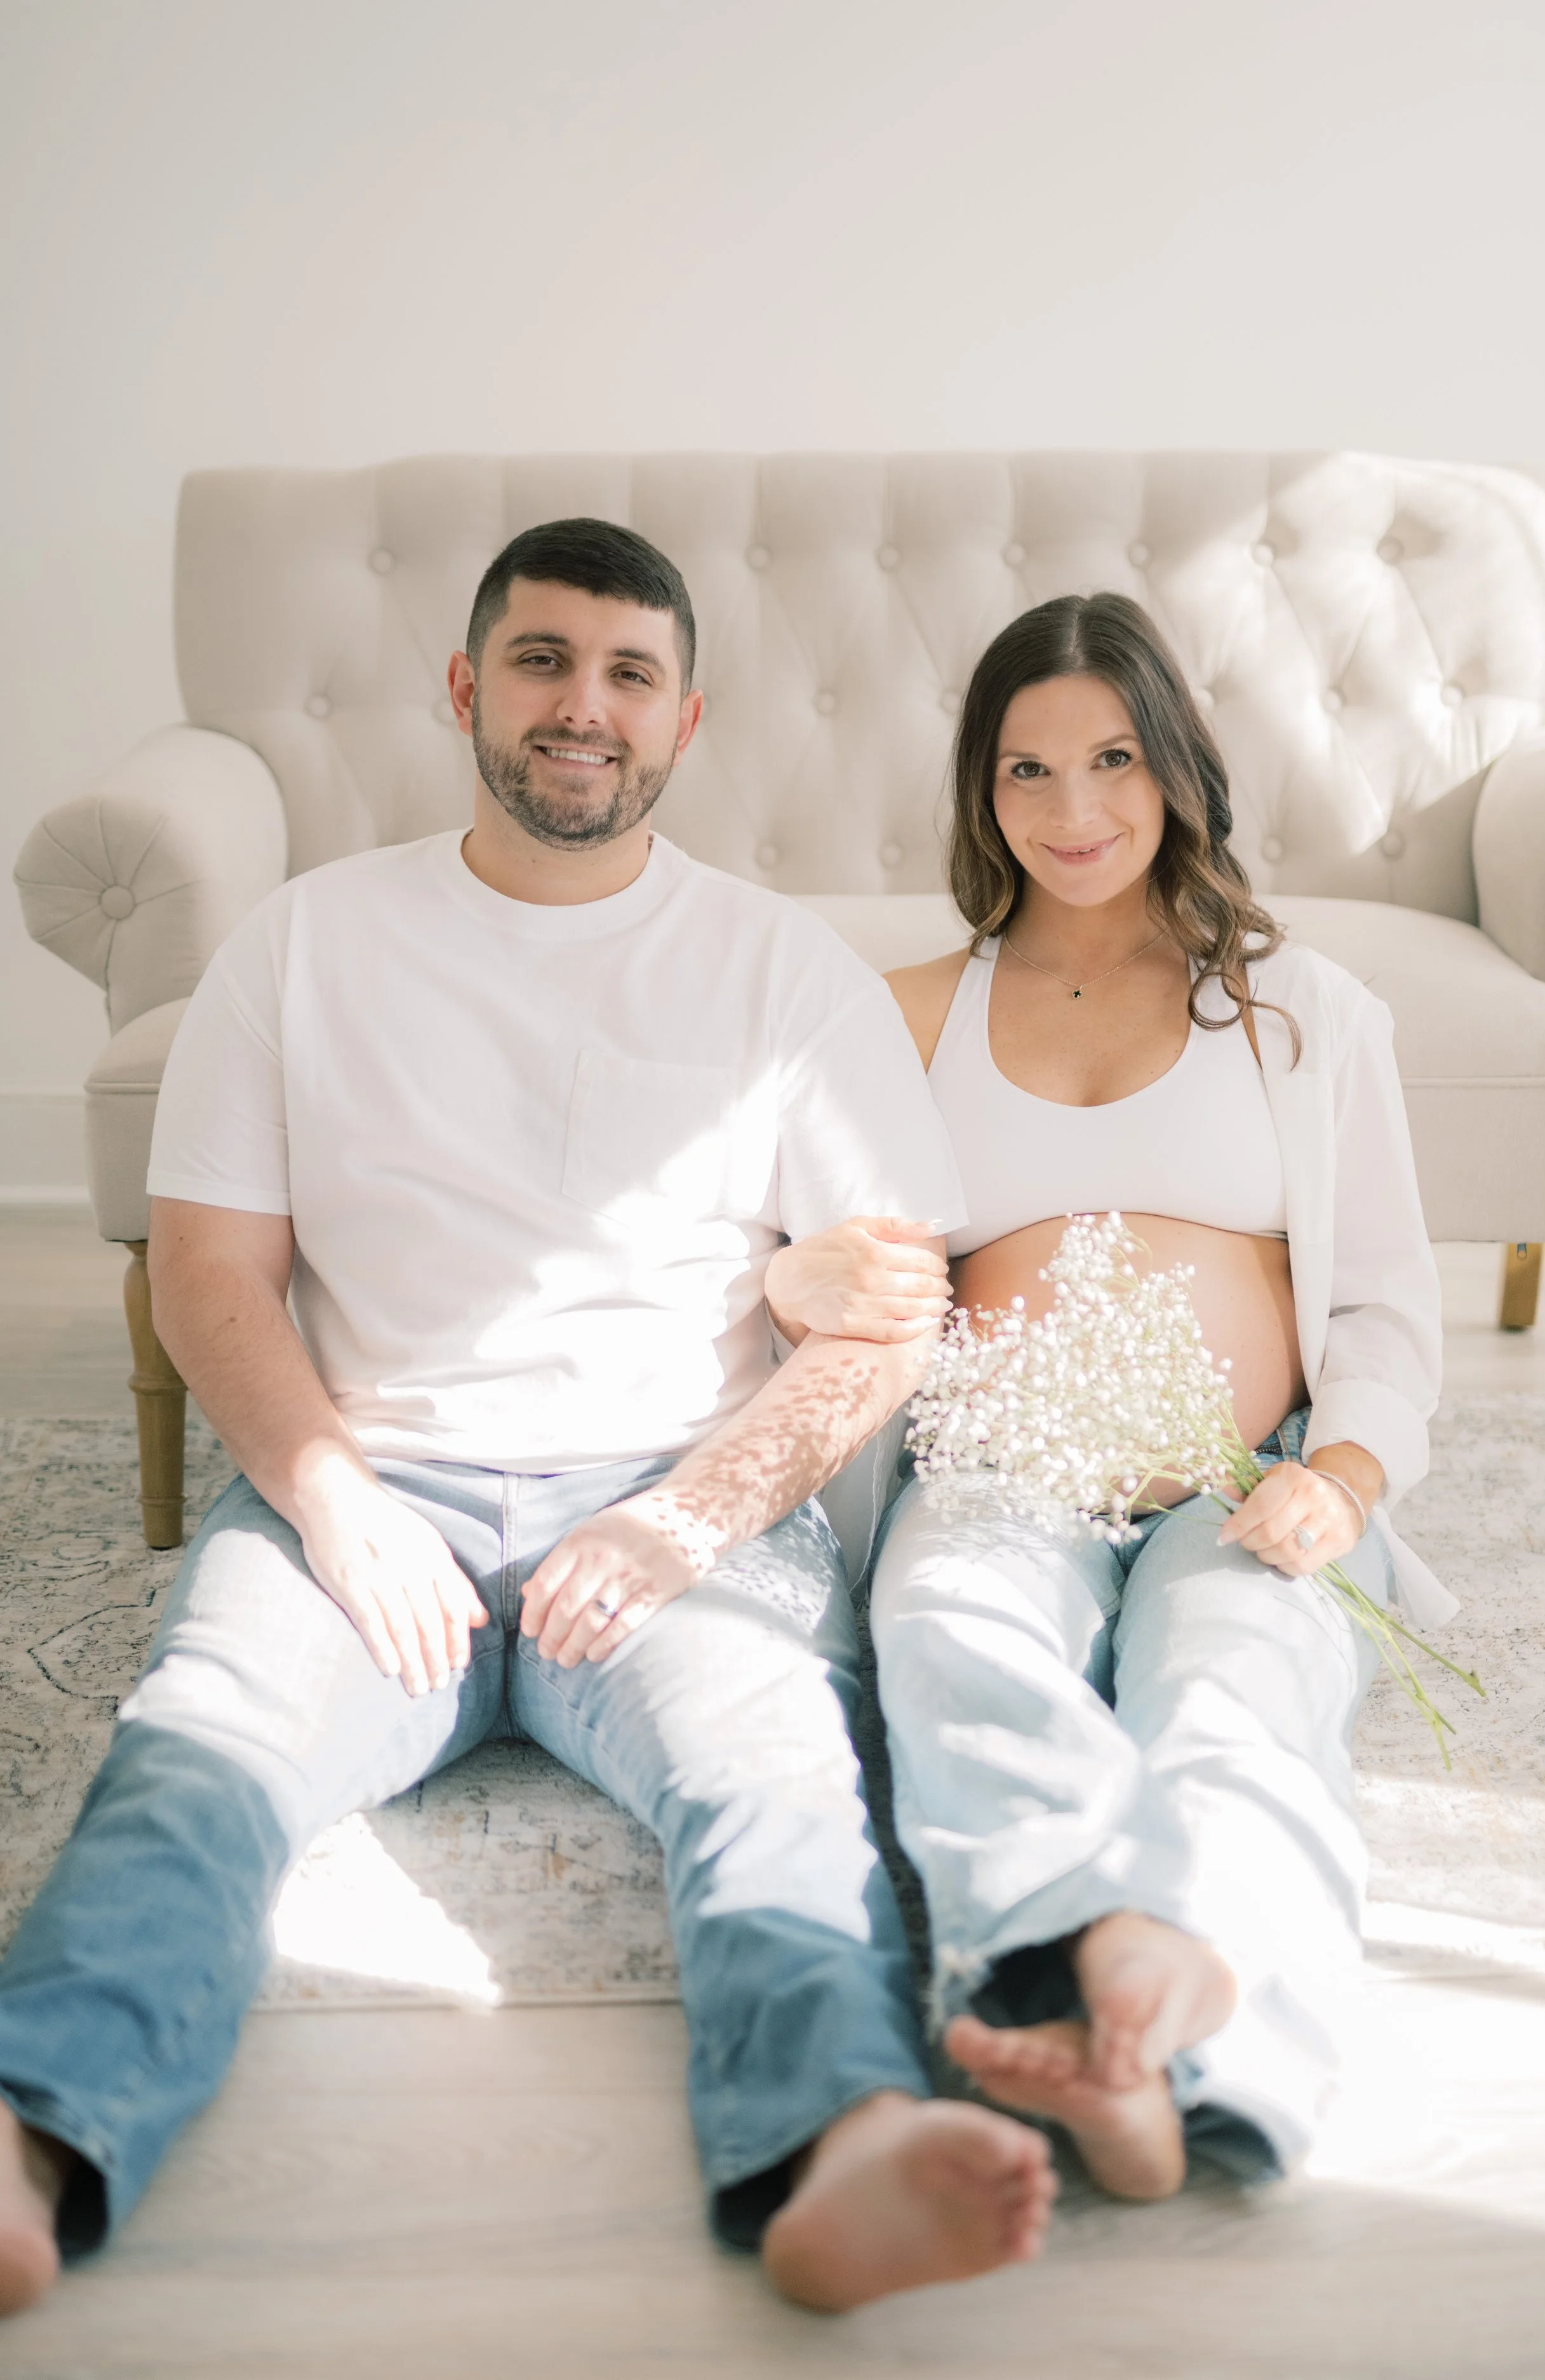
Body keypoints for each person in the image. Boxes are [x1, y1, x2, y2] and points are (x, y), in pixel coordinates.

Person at [0, 520, 1060, 2320]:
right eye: (544, 659)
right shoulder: (301, 943)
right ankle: (31, 2137)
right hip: (366, 1482)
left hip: (668, 1495)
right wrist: (330, 1496)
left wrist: (687, 1514)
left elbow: (890, 1322)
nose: (585, 705)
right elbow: (206, 1276)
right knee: (199, 1759)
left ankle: (843, 2141)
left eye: (630, 673)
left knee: (775, 1778)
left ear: (686, 720)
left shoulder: (780, 970)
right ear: (464, 686)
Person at [764, 591, 1449, 2202]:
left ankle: (1204, 2048)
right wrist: (796, 1280)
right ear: (980, 790)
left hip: (1248, 1475)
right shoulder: (907, 1012)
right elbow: (790, 1251)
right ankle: (1059, 1992)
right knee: (952, 1641)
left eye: (1113, 760)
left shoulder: (1299, 1010)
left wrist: (1340, 1478)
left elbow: (1381, 1301)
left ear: (1177, 767)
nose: (1070, 809)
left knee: (1231, 1683)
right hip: (993, 1468)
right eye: (1026, 770)